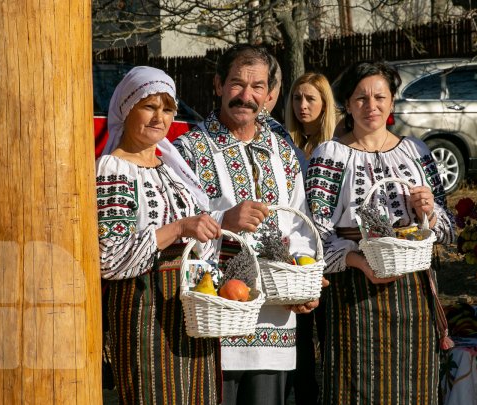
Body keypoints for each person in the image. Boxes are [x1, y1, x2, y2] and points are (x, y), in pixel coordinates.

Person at [174, 44, 319, 405]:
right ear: (218, 84)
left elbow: (300, 225)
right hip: (215, 317)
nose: (246, 96)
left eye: (257, 87)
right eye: (237, 84)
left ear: (270, 95)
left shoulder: (283, 152)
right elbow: (177, 224)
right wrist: (225, 220)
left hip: (275, 319)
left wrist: (303, 284)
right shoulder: (188, 150)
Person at [305, 61, 456, 404]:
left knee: (412, 386)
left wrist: (429, 210)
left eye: (379, 97)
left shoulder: (416, 151)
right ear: (346, 103)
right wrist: (358, 261)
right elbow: (316, 235)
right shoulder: (330, 155)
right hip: (354, 291)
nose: (371, 106)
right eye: (361, 98)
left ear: (391, 101)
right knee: (355, 386)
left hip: (412, 291)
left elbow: (448, 231)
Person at [96, 66, 223, 404]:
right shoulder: (113, 169)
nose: (159, 118)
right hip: (145, 305)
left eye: (167, 109)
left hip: (191, 303)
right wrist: (180, 228)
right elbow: (108, 257)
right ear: (127, 107)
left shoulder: (172, 167)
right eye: (149, 106)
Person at [283, 72, 338, 405]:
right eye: (297, 98)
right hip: (296, 254)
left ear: (324, 104)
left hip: (330, 252)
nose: (302, 105)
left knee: (330, 333)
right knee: (299, 336)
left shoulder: (338, 145)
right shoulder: (286, 144)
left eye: (310, 99)